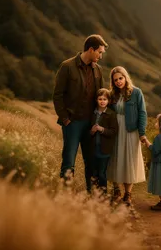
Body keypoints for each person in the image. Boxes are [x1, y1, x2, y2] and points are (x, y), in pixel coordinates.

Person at [53, 34, 108, 192]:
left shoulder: (98, 70)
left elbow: (101, 96)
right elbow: (57, 95)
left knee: (91, 161)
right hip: (72, 123)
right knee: (69, 161)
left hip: (91, 124)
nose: (101, 56)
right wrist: (65, 119)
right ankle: (65, 196)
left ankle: (94, 196)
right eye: (99, 52)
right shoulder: (67, 66)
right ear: (91, 49)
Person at [107, 66, 147, 206]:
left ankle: (128, 194)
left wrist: (142, 133)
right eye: (115, 80)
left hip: (131, 130)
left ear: (125, 77)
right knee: (115, 158)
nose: (118, 82)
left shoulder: (136, 93)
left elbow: (142, 113)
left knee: (129, 161)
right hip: (115, 129)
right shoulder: (112, 95)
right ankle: (116, 190)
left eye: (120, 78)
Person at [90, 88, 118, 194]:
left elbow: (114, 131)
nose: (102, 101)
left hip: (105, 149)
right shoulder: (93, 113)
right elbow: (89, 131)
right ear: (96, 100)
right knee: (94, 172)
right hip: (93, 148)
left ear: (108, 101)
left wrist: (101, 129)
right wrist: (92, 131)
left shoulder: (111, 114)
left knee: (102, 173)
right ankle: (94, 194)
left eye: (105, 99)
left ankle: (103, 195)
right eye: (100, 99)